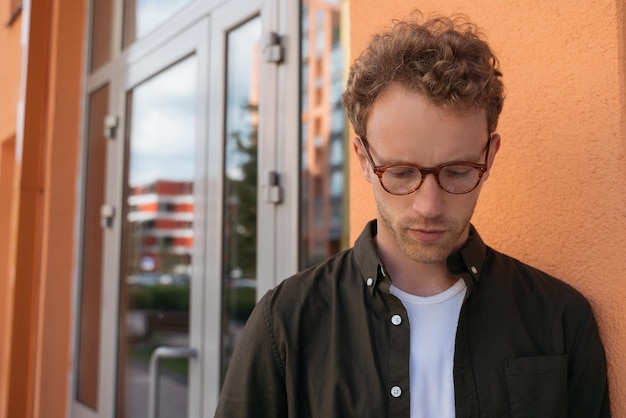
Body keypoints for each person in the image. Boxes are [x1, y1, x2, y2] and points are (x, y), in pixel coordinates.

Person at [215, 11, 611, 418]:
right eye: (401, 173)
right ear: (363, 159)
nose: (429, 206)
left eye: (457, 172)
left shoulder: (560, 318)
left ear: (489, 157)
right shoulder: (286, 322)